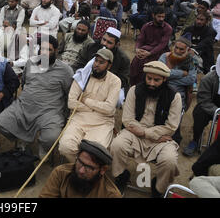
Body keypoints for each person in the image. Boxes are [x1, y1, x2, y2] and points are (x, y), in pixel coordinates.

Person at [0, 35, 73, 159]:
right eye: (42, 49)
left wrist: (66, 115)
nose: (44, 53)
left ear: (56, 51)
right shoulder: (31, 63)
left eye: (49, 50)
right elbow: (24, 84)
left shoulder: (65, 71)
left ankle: (44, 148)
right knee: (1, 124)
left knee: (51, 137)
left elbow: (69, 94)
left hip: (49, 112)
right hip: (24, 106)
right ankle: (22, 139)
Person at [111, 61, 182, 198]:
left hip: (160, 140)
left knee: (170, 160)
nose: (152, 83)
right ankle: (121, 175)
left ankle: (159, 186)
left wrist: (145, 133)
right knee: (117, 145)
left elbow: (171, 127)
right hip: (135, 134)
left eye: (157, 80)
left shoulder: (175, 97)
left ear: (164, 79)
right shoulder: (134, 90)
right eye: (149, 78)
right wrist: (145, 133)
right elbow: (127, 119)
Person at [59, 49, 121, 162]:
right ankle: (82, 168)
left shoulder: (115, 81)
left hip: (102, 123)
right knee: (65, 147)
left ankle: (87, 170)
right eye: (96, 61)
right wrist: (95, 108)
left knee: (94, 152)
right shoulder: (82, 75)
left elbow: (109, 109)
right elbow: (71, 102)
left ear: (109, 66)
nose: (96, 64)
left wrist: (86, 100)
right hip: (79, 119)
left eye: (101, 62)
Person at [39, 139, 121, 198]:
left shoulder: (111, 194)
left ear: (102, 170)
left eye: (89, 168)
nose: (81, 171)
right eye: (80, 162)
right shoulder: (60, 173)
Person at [72, 27, 130, 95]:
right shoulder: (90, 47)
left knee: (119, 99)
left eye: (109, 42)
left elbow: (123, 79)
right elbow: (79, 64)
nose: (104, 43)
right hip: (86, 78)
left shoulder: (123, 58)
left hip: (109, 85)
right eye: (104, 39)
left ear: (117, 45)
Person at [183, 55, 220, 157]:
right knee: (199, 112)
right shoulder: (208, 79)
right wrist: (217, 111)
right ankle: (195, 140)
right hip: (211, 105)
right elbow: (204, 100)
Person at [130, 6, 172, 86]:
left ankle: (146, 83)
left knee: (146, 63)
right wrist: (137, 49)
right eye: (159, 16)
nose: (161, 19)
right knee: (136, 62)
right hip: (145, 51)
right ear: (153, 15)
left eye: (163, 16)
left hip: (160, 52)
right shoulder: (146, 26)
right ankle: (134, 85)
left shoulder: (168, 28)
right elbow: (140, 39)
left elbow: (162, 45)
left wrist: (150, 53)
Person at [158, 37, 197, 108]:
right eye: (176, 47)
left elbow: (191, 79)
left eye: (181, 49)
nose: (177, 51)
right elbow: (159, 72)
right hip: (160, 90)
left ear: (188, 50)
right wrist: (181, 73)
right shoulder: (165, 56)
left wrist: (167, 78)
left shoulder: (191, 61)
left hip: (179, 95)